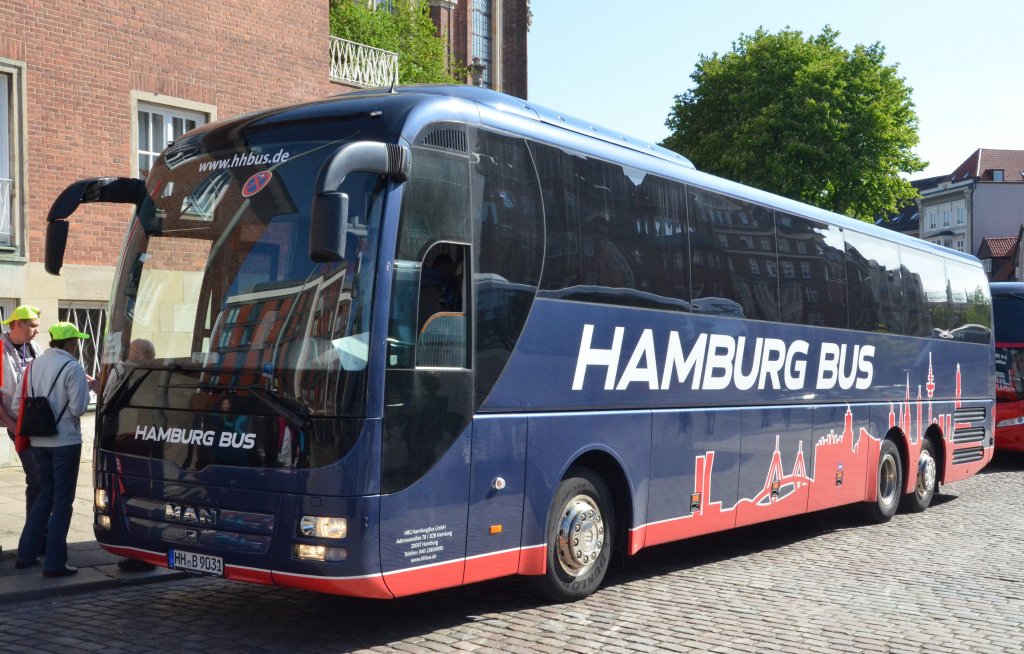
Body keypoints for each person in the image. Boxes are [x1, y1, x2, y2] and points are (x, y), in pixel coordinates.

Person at [13, 322, 92, 577]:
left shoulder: (32, 366)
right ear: (70, 343)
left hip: (38, 441)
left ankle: (25, 554)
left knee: (44, 495)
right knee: (62, 501)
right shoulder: (73, 367)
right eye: (76, 341)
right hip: (66, 441)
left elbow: (18, 404)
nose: (78, 345)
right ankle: (55, 562)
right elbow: (79, 408)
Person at [1, 305, 43, 522]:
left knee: (42, 478)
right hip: (16, 423)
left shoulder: (34, 346)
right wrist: (12, 426)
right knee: (37, 476)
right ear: (17, 324)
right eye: (33, 326)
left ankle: (37, 532)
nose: (37, 331)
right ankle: (34, 535)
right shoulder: (0, 349)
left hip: (35, 423)